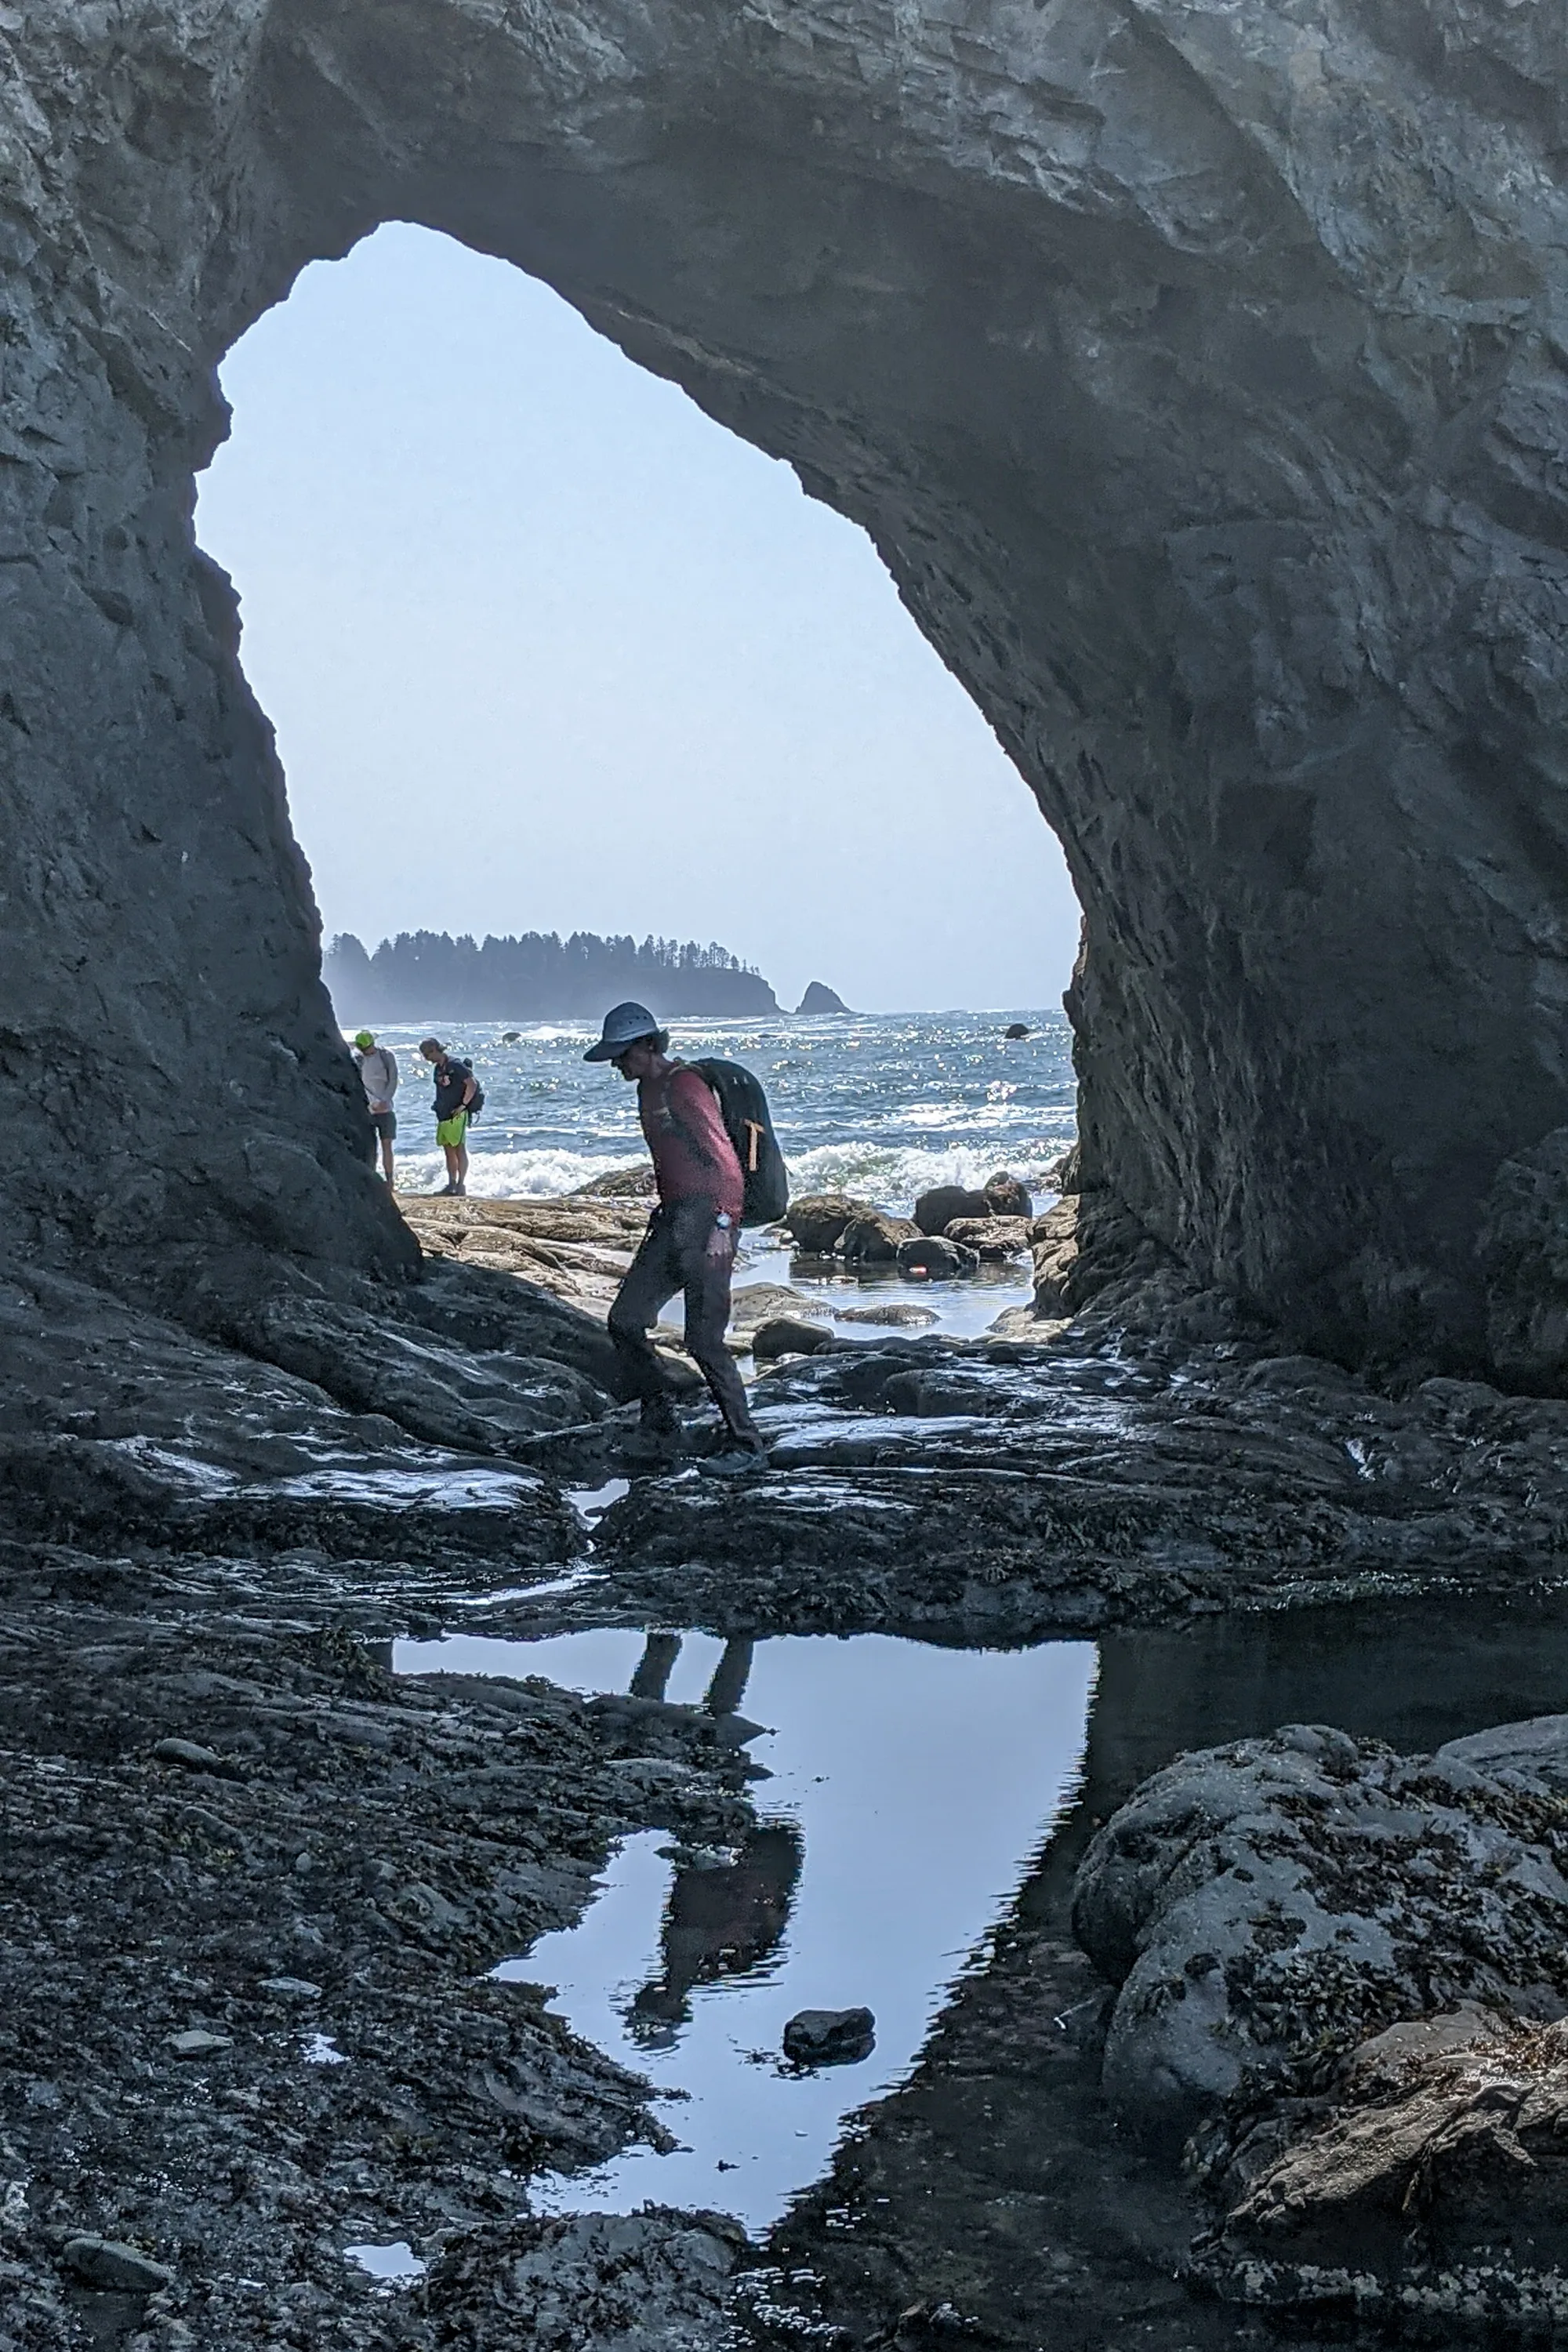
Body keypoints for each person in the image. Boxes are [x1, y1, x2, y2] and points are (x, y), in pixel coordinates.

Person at [585, 1000, 766, 1473]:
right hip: (672, 1221)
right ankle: (660, 1418)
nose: (618, 1065)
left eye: (624, 1055)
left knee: (703, 1340)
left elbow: (724, 1160)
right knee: (626, 1320)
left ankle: (747, 1445)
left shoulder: (684, 1084)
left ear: (649, 1045)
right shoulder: (647, 1089)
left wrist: (725, 1225)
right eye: (615, 1057)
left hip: (708, 1220)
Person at [419, 1037, 476, 1196]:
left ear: (434, 1050)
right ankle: (451, 1184)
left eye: (426, 1054)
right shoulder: (438, 1068)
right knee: (448, 1149)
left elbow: (472, 1084)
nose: (425, 1058)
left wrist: (463, 1105)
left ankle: (461, 1184)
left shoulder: (455, 1065)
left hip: (457, 1112)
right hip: (443, 1114)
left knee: (459, 1148)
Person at [352, 1029, 399, 1185]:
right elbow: (358, 1084)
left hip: (386, 1109)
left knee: (387, 1144)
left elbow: (393, 1079)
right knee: (369, 1146)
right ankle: (371, 1179)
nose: (366, 1051)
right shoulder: (357, 1060)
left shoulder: (386, 1056)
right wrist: (372, 1102)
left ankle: (390, 1180)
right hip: (367, 1109)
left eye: (367, 1048)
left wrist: (385, 1100)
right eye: (363, 1049)